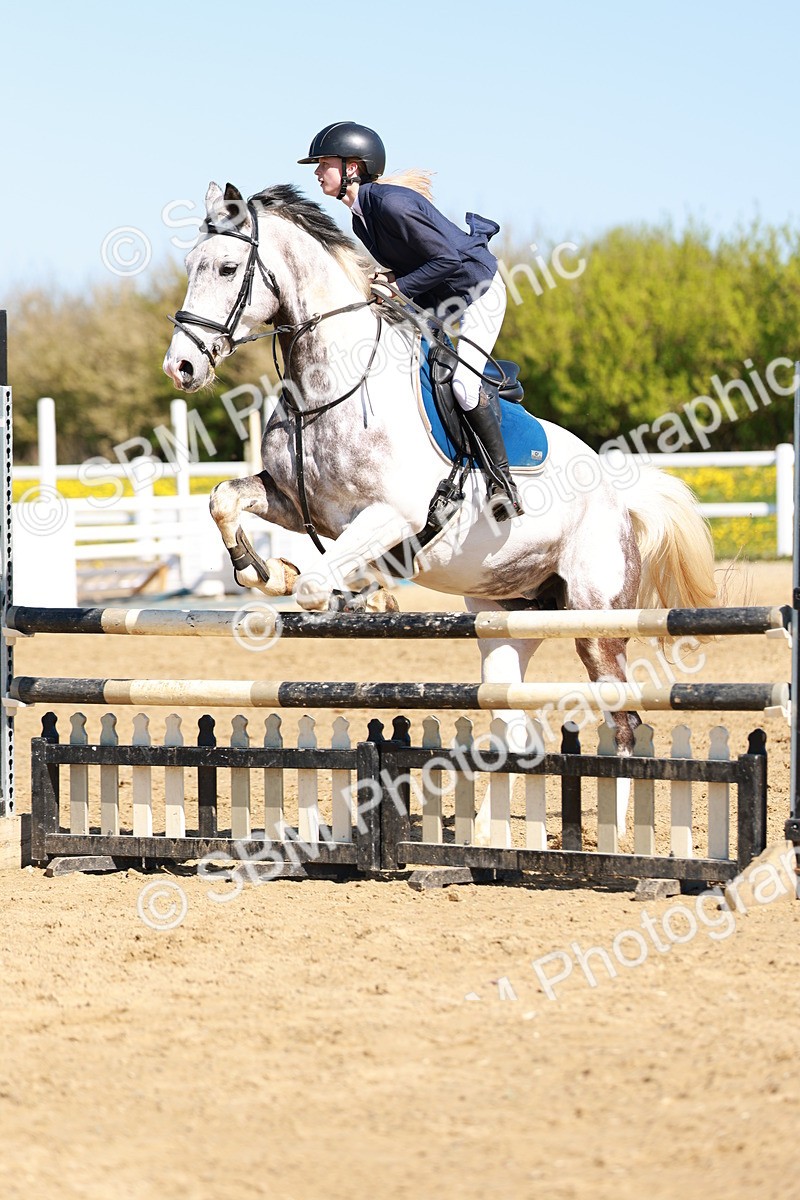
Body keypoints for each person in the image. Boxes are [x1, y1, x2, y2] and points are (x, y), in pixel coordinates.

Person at [298, 121, 523, 520]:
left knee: (464, 386)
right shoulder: (360, 218)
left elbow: (448, 260)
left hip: (477, 294)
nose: (317, 172)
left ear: (353, 167)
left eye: (323, 163)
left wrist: (398, 286)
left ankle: (501, 483)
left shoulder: (391, 204)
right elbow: (414, 265)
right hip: (439, 299)